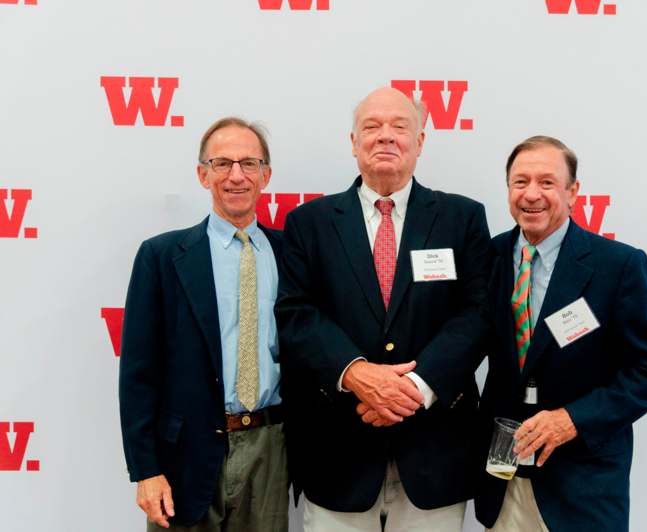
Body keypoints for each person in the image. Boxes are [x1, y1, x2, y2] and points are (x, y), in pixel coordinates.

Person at [275, 86, 492, 531]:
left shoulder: (462, 218)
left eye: (400, 126)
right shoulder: (308, 223)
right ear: (353, 142)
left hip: (435, 454)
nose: (385, 137)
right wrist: (355, 373)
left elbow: (476, 315)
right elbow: (297, 314)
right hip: (339, 454)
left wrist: (415, 385)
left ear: (421, 141)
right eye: (371, 127)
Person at [475, 136, 647, 531]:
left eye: (547, 183)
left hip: (582, 485)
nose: (531, 194)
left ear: (572, 193)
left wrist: (574, 419)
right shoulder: (490, 257)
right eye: (520, 182)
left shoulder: (618, 266)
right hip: (503, 479)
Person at [119, 117, 288, 531]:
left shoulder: (292, 254)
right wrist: (146, 470)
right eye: (222, 163)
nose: (236, 176)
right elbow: (138, 374)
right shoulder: (161, 257)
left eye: (249, 163)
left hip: (271, 446)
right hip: (185, 456)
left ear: (265, 176)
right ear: (202, 174)